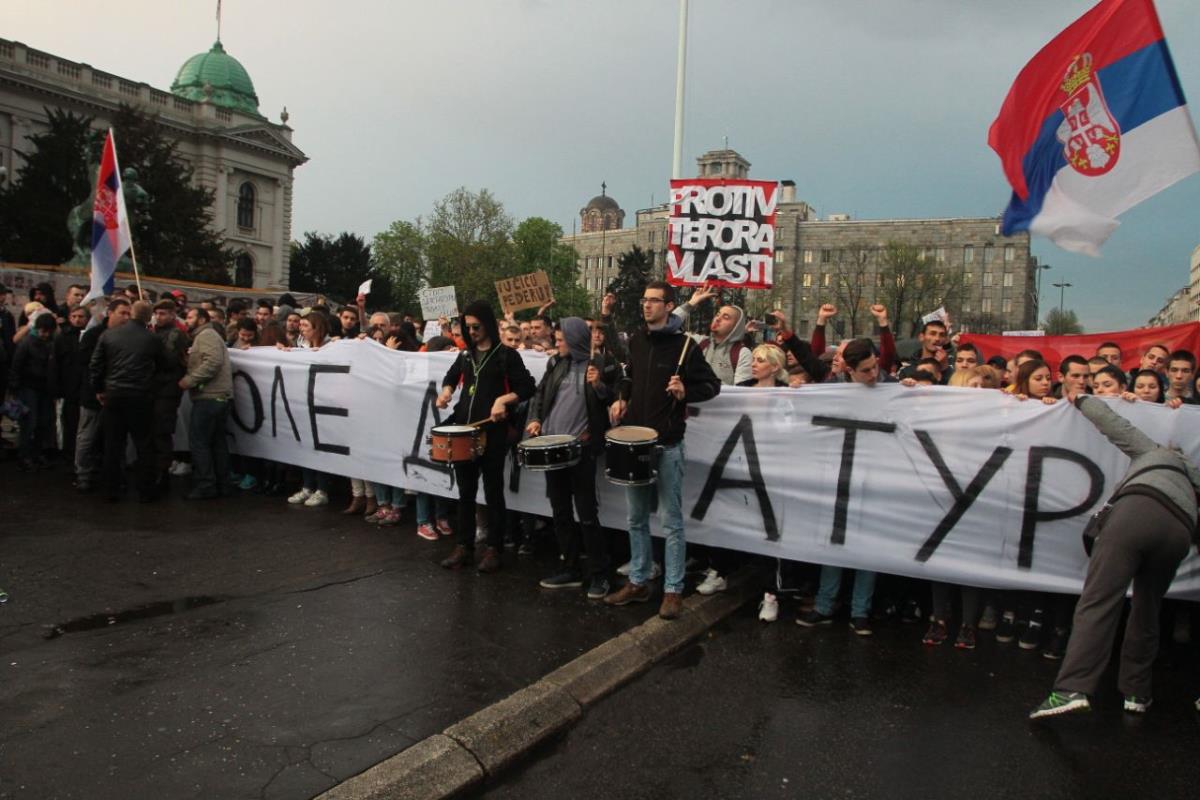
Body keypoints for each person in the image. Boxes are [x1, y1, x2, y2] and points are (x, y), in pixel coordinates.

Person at [1030, 392, 1200, 719]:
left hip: (1137, 512)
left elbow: (1111, 423)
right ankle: (1137, 693)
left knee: (1099, 600)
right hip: (1179, 531)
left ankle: (1071, 689)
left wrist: (1078, 397)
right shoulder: (1194, 483)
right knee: (1148, 607)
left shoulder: (1154, 452)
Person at [604, 281, 721, 620]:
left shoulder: (686, 346)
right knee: (636, 518)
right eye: (644, 300)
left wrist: (686, 391)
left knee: (671, 521)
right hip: (635, 444)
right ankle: (639, 580)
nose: (647, 306)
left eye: (654, 301)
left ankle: (673, 589)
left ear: (670, 306)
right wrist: (622, 397)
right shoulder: (639, 341)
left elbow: (711, 386)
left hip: (667, 443)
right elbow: (629, 376)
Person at [436, 300, 536, 573]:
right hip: (465, 430)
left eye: (476, 326)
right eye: (467, 327)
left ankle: (494, 548)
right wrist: (445, 392)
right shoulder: (466, 354)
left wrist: (504, 399)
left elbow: (527, 386)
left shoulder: (506, 355)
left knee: (493, 491)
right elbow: (451, 376)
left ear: (488, 324)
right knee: (465, 492)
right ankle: (464, 546)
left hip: (493, 433)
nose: (472, 331)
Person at [526, 317, 620, 599]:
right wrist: (535, 419)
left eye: (561, 338)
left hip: (581, 452)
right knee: (560, 511)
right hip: (552, 448)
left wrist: (599, 386)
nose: (556, 342)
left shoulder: (599, 364)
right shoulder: (556, 364)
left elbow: (614, 401)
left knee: (587, 515)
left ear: (576, 338)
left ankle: (600, 574)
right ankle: (569, 567)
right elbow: (540, 396)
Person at [797, 338, 886, 636]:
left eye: (875, 367)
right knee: (833, 543)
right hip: (836, 476)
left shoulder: (892, 388)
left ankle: (860, 611)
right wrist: (796, 394)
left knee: (869, 547)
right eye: (865, 371)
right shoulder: (830, 389)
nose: (873, 375)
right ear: (849, 370)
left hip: (875, 478)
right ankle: (825, 605)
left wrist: (912, 389)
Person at [89, 301, 168, 502]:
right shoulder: (153, 339)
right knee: (144, 444)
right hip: (141, 396)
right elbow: (164, 366)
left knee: (113, 444)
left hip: (114, 394)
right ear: (149, 316)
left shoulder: (109, 335)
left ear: (131, 313)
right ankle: (146, 489)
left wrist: (99, 389)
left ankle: (111, 489)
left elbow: (96, 365)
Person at [179, 307, 233, 500]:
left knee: (200, 442)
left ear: (201, 320)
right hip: (217, 397)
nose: (187, 320)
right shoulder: (204, 336)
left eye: (190, 316)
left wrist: (190, 380)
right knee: (217, 442)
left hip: (209, 397)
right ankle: (222, 483)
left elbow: (213, 362)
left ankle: (206, 484)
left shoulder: (207, 335)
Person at [151, 299, 191, 490]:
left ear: (172, 315)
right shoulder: (153, 332)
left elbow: (169, 359)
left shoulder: (176, 334)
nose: (159, 317)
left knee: (162, 431)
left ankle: (162, 471)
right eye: (156, 313)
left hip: (167, 389)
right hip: (154, 388)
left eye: (163, 313)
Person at [10, 313, 57, 469]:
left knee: (42, 422)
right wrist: (15, 387)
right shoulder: (28, 343)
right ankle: (26, 453)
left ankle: (34, 453)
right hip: (29, 386)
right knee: (30, 422)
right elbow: (17, 366)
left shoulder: (46, 343)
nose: (45, 335)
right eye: (43, 331)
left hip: (42, 387)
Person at [52, 304, 90, 462]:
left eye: (81, 317)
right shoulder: (62, 337)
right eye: (74, 316)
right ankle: (69, 453)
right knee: (70, 421)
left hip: (85, 387)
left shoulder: (90, 336)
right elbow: (56, 364)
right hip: (68, 386)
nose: (77, 320)